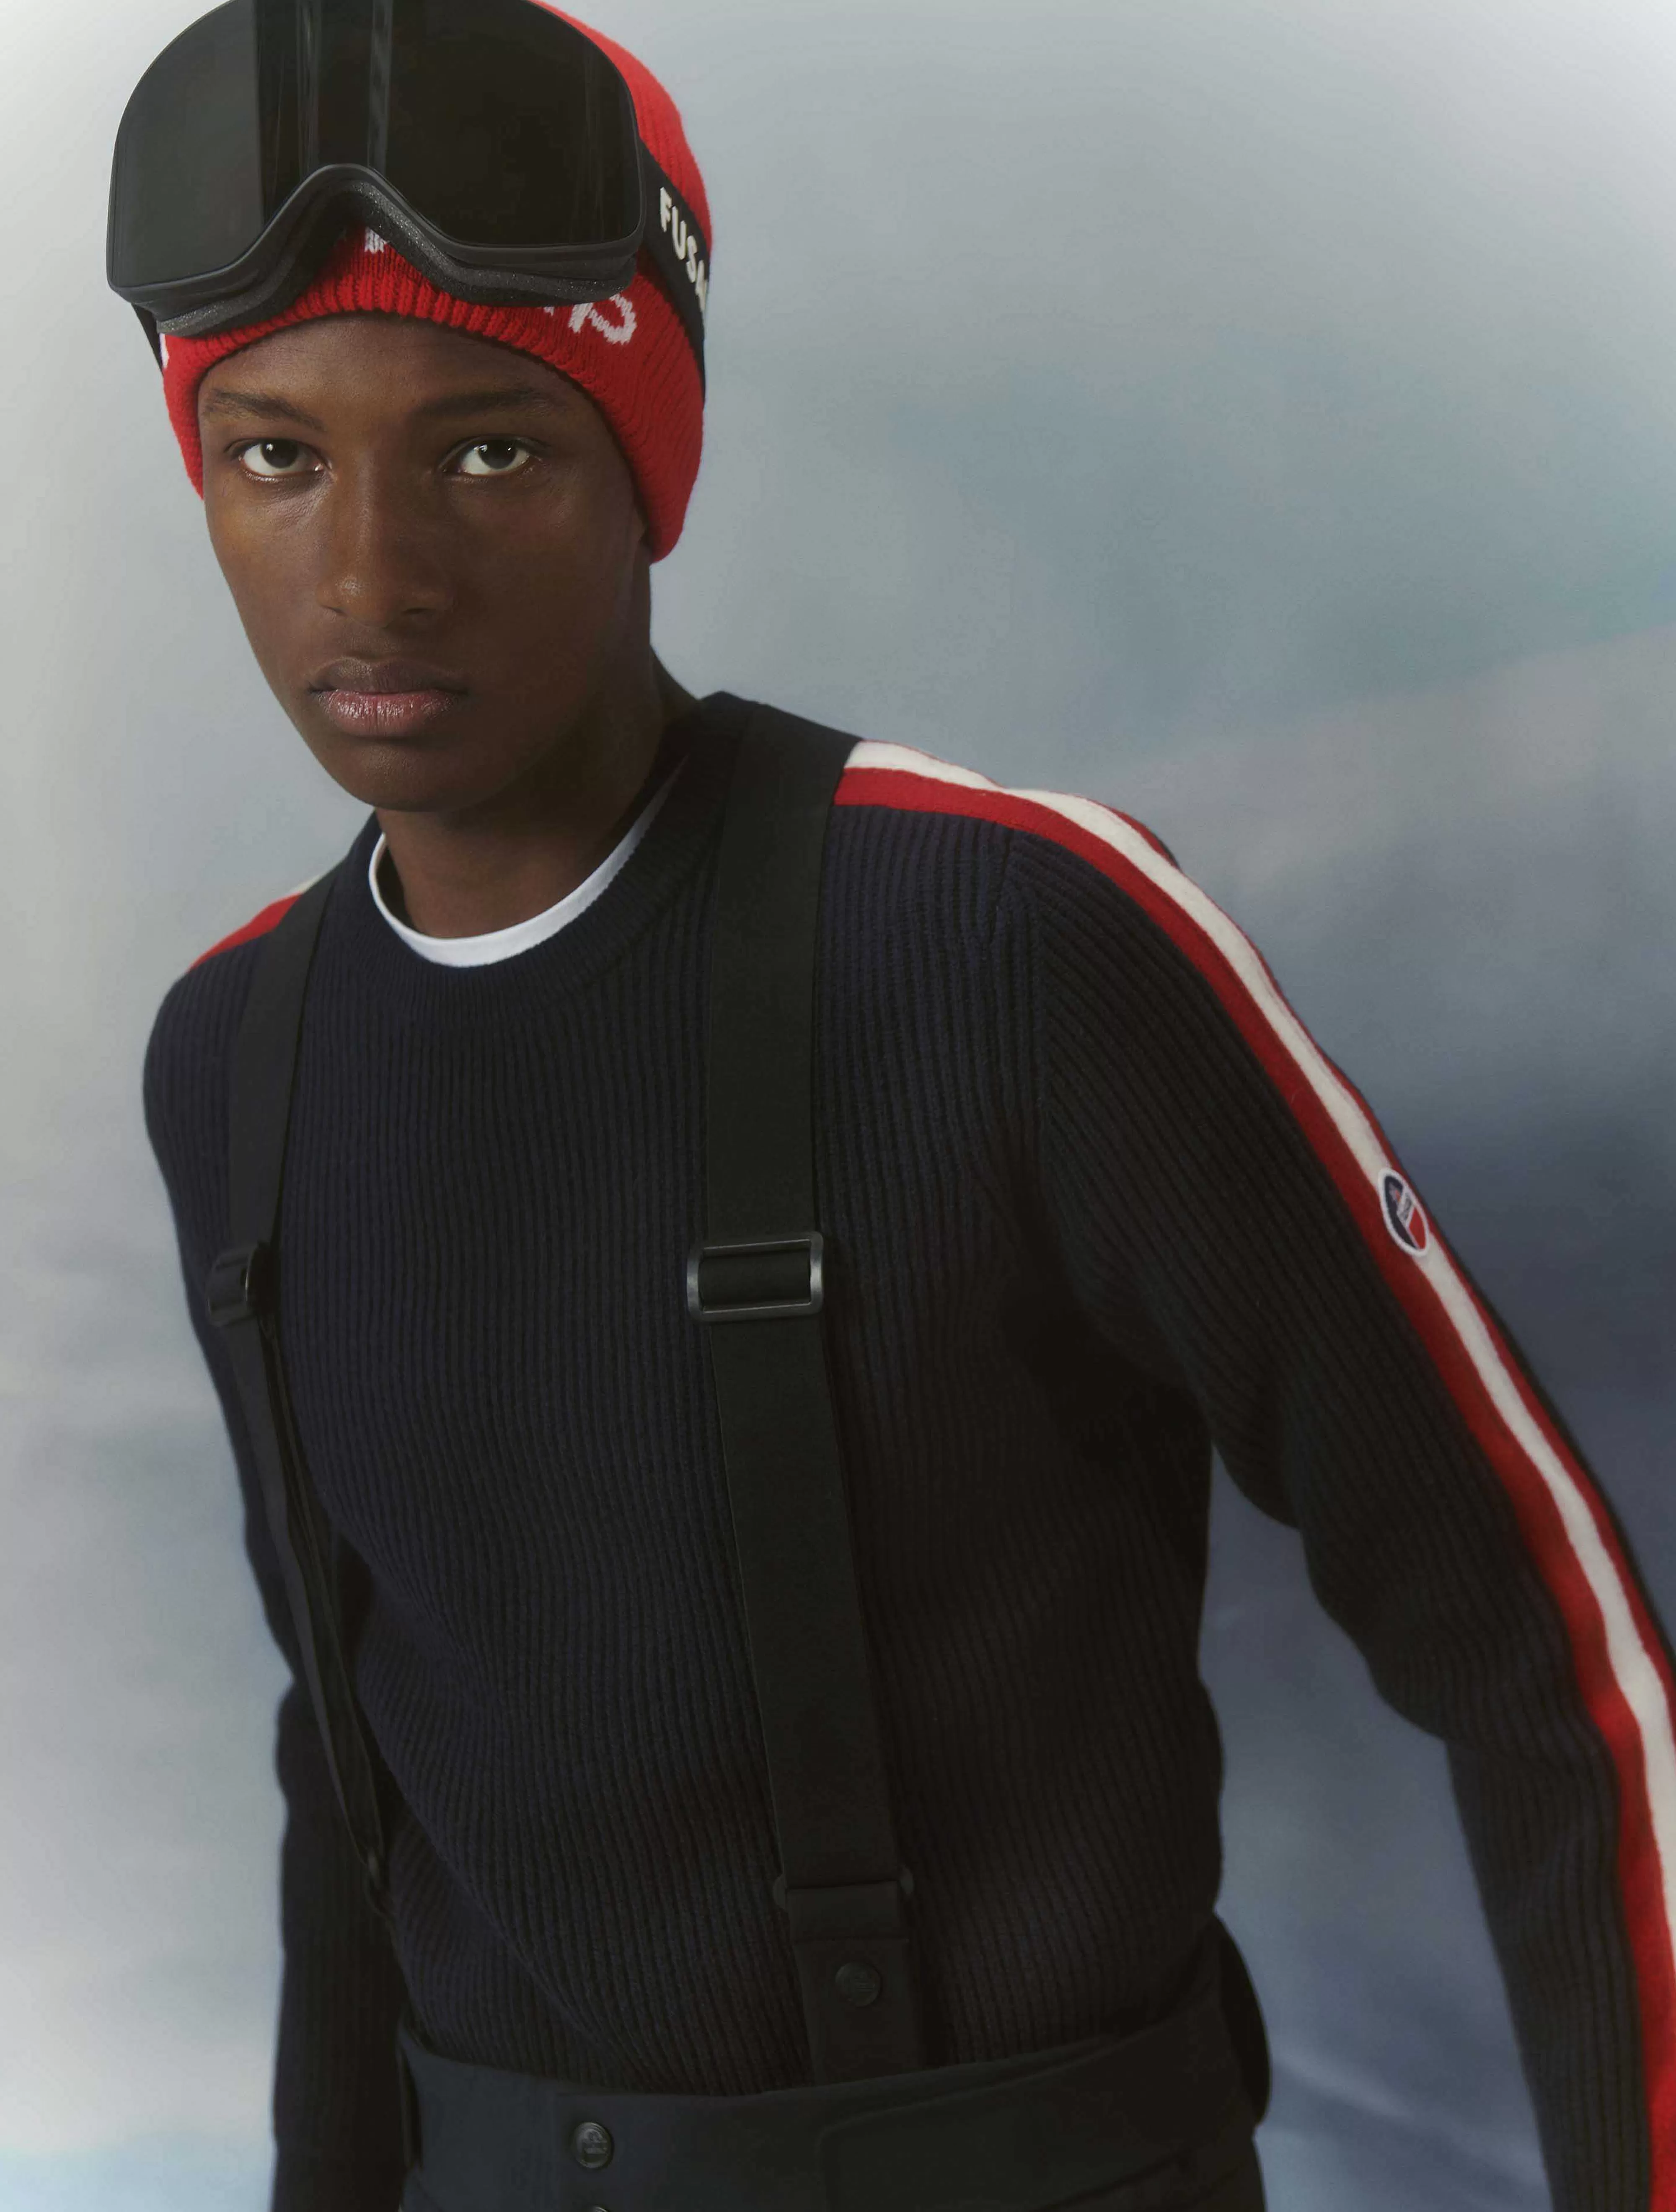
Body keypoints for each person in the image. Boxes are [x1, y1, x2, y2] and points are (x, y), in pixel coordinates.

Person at [119, 8, 1676, 2212]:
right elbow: (352, 1778)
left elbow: (1551, 1656)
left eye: (488, 450)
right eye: (276, 453)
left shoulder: (1009, 942)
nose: (371, 576)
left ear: (645, 470)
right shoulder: (233, 1058)